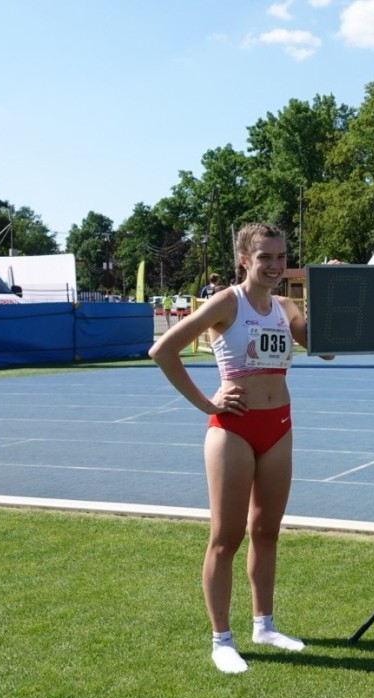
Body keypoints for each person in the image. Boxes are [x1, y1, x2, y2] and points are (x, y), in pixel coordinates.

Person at [149, 222, 334, 674]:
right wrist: (206, 402)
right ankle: (221, 639)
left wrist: (332, 290)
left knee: (266, 531)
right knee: (225, 538)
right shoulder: (226, 303)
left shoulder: (286, 307)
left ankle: (264, 625)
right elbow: (162, 351)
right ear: (244, 261)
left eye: (280, 256)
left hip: (279, 426)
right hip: (233, 429)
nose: (274, 265)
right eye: (265, 257)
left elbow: (326, 349)